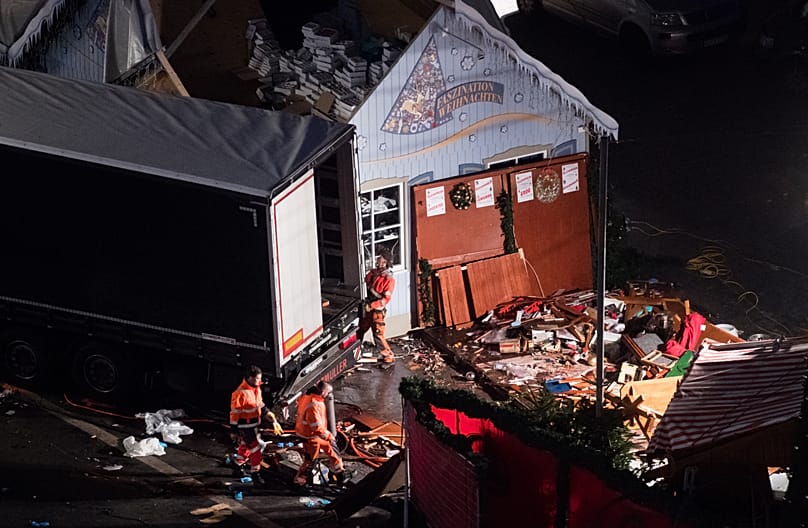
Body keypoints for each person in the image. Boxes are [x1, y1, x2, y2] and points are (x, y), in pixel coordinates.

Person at [229, 365, 283, 485]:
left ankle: (238, 465)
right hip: (245, 426)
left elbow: (260, 404)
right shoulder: (240, 393)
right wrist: (233, 430)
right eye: (257, 379)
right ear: (249, 378)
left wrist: (270, 415)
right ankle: (255, 473)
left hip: (253, 424)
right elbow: (234, 414)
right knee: (256, 449)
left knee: (245, 446)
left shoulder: (256, 388)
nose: (260, 381)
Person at [293, 381, 348, 486]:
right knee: (311, 460)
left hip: (308, 434)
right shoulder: (314, 404)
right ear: (323, 392)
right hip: (311, 436)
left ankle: (339, 473)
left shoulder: (308, 397)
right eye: (327, 392)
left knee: (332, 449)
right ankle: (299, 481)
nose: (328, 395)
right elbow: (316, 426)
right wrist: (328, 435)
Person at [357, 248, 396, 363]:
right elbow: (366, 282)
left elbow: (385, 299)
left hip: (377, 311)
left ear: (385, 262)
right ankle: (356, 351)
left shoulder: (389, 280)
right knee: (360, 329)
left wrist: (372, 305)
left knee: (378, 334)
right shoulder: (374, 273)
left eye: (380, 258)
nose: (377, 259)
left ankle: (388, 356)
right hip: (367, 308)